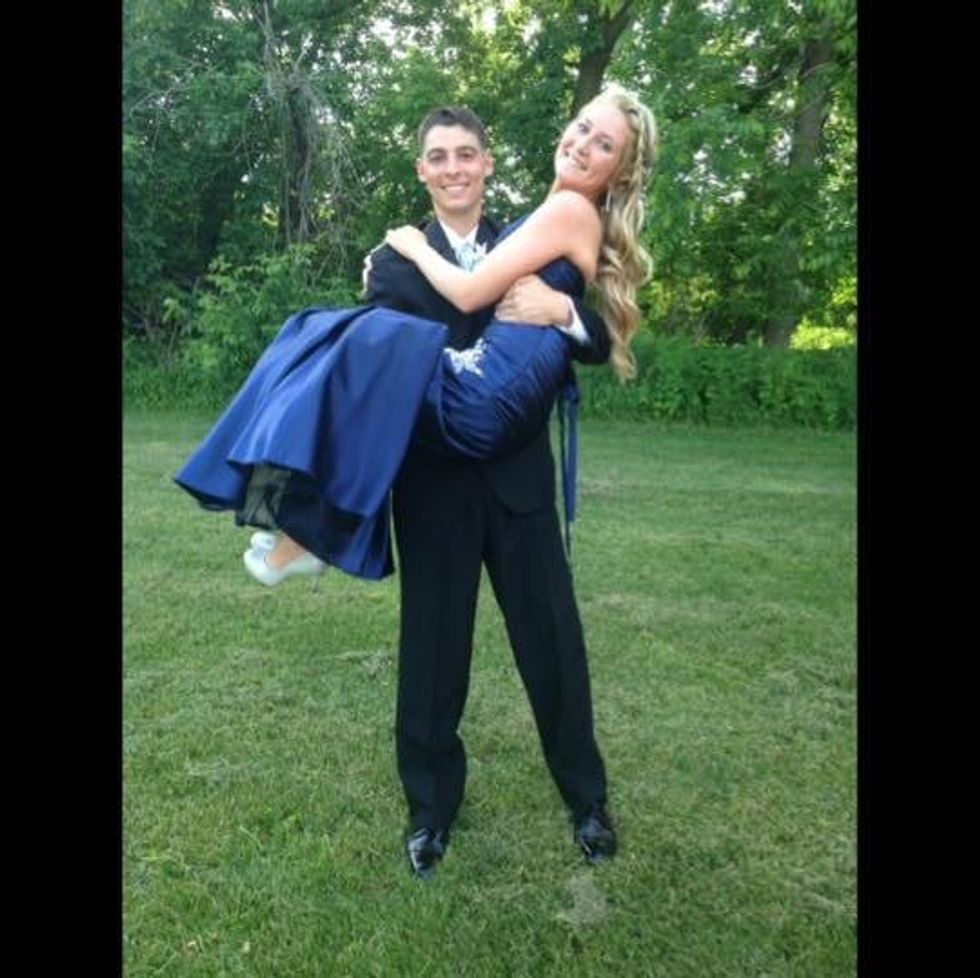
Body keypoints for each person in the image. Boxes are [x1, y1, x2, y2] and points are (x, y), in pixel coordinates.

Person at [175, 89, 657, 877]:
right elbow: (396, 367)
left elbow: (596, 336)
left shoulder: (534, 228)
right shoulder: (393, 262)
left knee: (553, 645)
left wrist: (562, 315)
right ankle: (430, 812)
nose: (454, 168)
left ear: (487, 164)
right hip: (434, 482)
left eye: (466, 154)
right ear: (423, 172)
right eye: (439, 157)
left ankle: (587, 800)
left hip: (517, 483)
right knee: (432, 653)